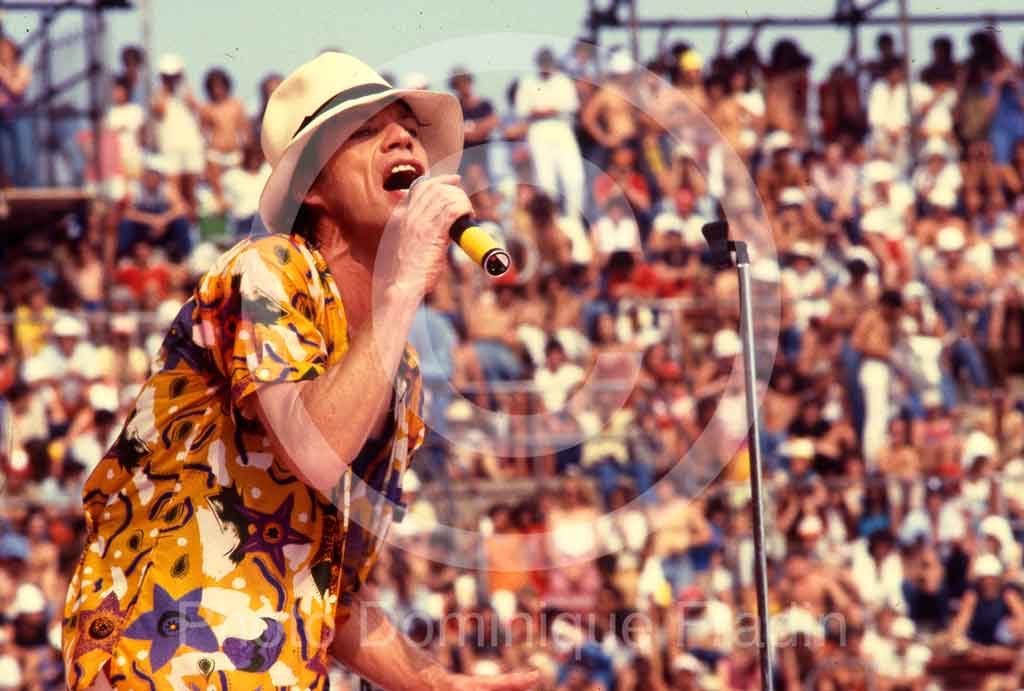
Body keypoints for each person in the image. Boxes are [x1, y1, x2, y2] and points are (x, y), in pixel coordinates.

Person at [63, 52, 538, 691]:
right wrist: (402, 287)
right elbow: (312, 450)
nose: (402, 139)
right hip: (161, 657)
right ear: (312, 187)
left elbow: (334, 591)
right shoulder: (267, 269)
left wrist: (439, 684)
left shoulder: (397, 371)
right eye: (366, 131)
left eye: (408, 129)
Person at [516, 47, 585, 221]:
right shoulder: (528, 82)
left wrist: (545, 110)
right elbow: (522, 110)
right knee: (545, 180)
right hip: (539, 131)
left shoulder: (563, 81)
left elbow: (571, 106)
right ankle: (551, 219)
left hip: (562, 129)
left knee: (574, 177)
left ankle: (574, 219)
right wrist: (547, 110)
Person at [150, 53, 205, 215]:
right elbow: (159, 110)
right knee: (174, 190)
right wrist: (166, 89)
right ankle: (181, 220)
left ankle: (193, 223)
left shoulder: (186, 92)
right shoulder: (157, 93)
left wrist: (183, 84)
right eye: (167, 76)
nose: (171, 79)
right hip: (170, 147)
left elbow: (198, 109)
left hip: (191, 146)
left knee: (192, 190)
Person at [199, 67, 250, 210]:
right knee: (217, 189)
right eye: (214, 87)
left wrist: (247, 151)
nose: (217, 90)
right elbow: (203, 133)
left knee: (237, 185)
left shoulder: (236, 105)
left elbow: (245, 130)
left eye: (220, 86)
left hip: (234, 151)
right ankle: (220, 211)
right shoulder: (207, 108)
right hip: (215, 152)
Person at [449, 66, 498, 181]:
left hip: (483, 156)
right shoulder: (454, 108)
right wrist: (477, 128)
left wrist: (467, 130)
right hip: (464, 160)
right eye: (458, 83)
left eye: (465, 81)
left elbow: (491, 124)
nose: (462, 85)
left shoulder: (484, 104)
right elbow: (453, 132)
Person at [0, 37, 34, 187]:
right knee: (8, 162)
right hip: (2, 119)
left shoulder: (22, 68)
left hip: (20, 118)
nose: (3, 52)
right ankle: (14, 191)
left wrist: (3, 72)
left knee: (25, 158)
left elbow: (17, 88)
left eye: (6, 49)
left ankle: (28, 191)